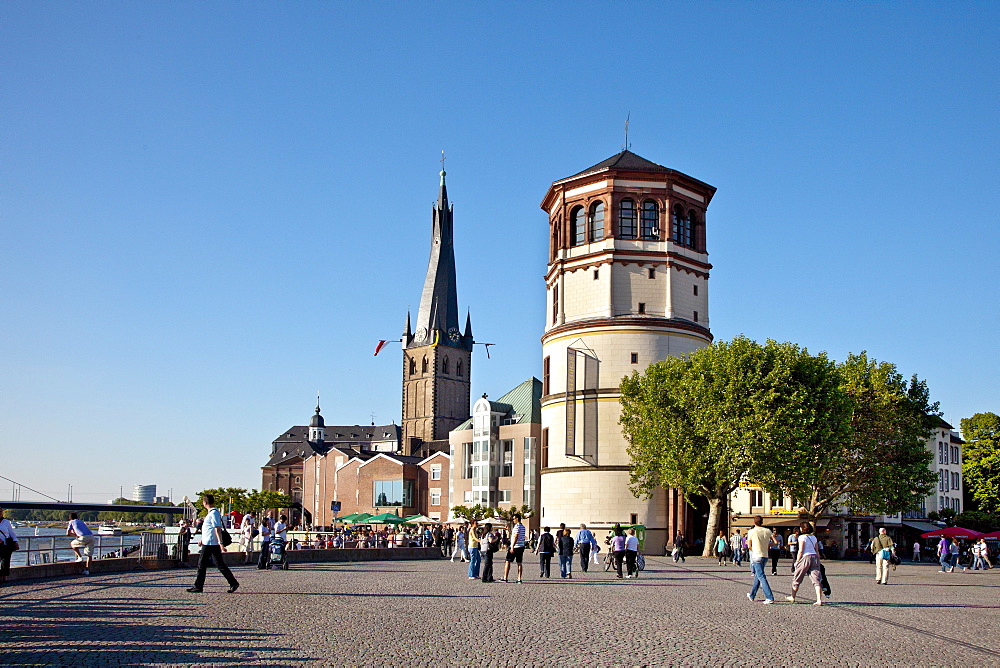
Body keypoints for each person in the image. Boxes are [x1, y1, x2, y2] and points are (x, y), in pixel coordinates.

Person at [187, 494, 240, 593]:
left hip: (211, 543)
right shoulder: (212, 513)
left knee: (202, 564)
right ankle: (233, 582)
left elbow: (217, 528)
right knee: (219, 564)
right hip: (209, 542)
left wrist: (221, 543)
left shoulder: (213, 513)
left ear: (205, 503)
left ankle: (198, 586)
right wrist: (203, 539)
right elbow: (210, 529)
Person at [786, 521, 823, 606]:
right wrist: (818, 560)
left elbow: (801, 550)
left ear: (802, 529)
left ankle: (793, 597)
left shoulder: (802, 537)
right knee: (816, 579)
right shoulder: (814, 537)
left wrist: (797, 561)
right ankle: (819, 600)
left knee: (797, 577)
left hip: (805, 557)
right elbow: (817, 550)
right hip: (814, 557)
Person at [745, 515, 775, 604]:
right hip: (765, 555)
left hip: (756, 555)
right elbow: (775, 542)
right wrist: (767, 546)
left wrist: (753, 549)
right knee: (758, 575)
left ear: (754, 522)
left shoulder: (751, 532)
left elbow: (749, 546)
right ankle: (752, 595)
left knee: (761, 576)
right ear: (762, 522)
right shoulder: (767, 531)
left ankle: (769, 597)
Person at [501, 514, 527, 583]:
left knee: (508, 561)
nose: (513, 520)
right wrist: (509, 530)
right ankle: (519, 578)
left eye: (514, 519)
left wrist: (512, 546)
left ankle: (505, 577)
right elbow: (514, 534)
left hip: (515, 546)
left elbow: (516, 536)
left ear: (517, 519)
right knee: (519, 562)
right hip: (521, 546)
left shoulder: (517, 526)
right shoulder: (523, 527)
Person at [0, 507, 19, 586]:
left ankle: (5, 577)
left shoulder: (6, 522)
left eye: (0, 511)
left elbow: (11, 532)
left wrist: (15, 541)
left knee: (6, 561)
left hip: (6, 544)